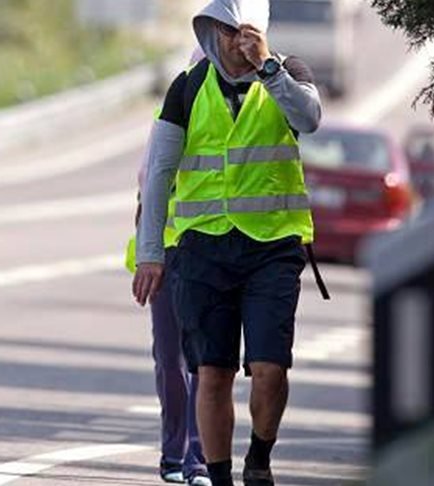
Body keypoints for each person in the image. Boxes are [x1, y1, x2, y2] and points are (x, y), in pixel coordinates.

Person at [131, 1, 323, 485]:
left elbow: (310, 118)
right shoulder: (188, 87)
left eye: (242, 31)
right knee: (211, 374)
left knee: (270, 369)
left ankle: (259, 456)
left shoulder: (287, 72)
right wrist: (151, 252)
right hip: (203, 249)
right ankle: (217, 478)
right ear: (209, 32)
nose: (232, 40)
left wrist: (268, 68)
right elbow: (158, 173)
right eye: (223, 30)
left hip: (271, 245)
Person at [126, 47, 212, 486]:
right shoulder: (175, 105)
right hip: (167, 252)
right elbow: (149, 181)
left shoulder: (237, 115)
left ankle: (199, 457)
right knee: (169, 359)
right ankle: (173, 453)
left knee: (205, 359)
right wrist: (149, 253)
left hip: (212, 250)